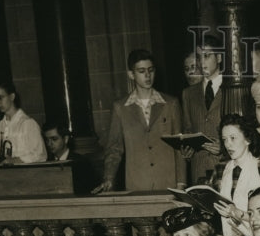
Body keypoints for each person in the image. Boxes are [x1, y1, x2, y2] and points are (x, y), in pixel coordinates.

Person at [94, 48, 185, 194]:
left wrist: (181, 182)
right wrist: (108, 178)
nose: (147, 76)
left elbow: (180, 146)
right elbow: (114, 148)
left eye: (151, 70)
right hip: (137, 184)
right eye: (141, 71)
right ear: (131, 74)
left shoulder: (171, 103)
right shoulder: (120, 108)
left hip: (169, 183)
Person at [213, 112, 260, 236]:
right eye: (224, 139)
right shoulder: (221, 169)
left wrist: (236, 213)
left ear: (247, 139)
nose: (228, 144)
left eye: (233, 138)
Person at [181, 33, 224, 184]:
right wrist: (186, 149)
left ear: (219, 58)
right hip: (198, 172)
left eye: (207, 56)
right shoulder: (188, 94)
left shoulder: (233, 89)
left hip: (225, 169)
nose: (202, 62)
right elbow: (188, 129)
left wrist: (224, 147)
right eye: (199, 57)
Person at [0, 79, 46, 165]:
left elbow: (41, 155)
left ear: (12, 97)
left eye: (0, 98)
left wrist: (15, 160)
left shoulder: (28, 124)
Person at [42, 119, 96, 194]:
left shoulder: (81, 162)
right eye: (47, 140)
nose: (49, 144)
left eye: (54, 139)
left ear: (66, 139)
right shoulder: (46, 164)